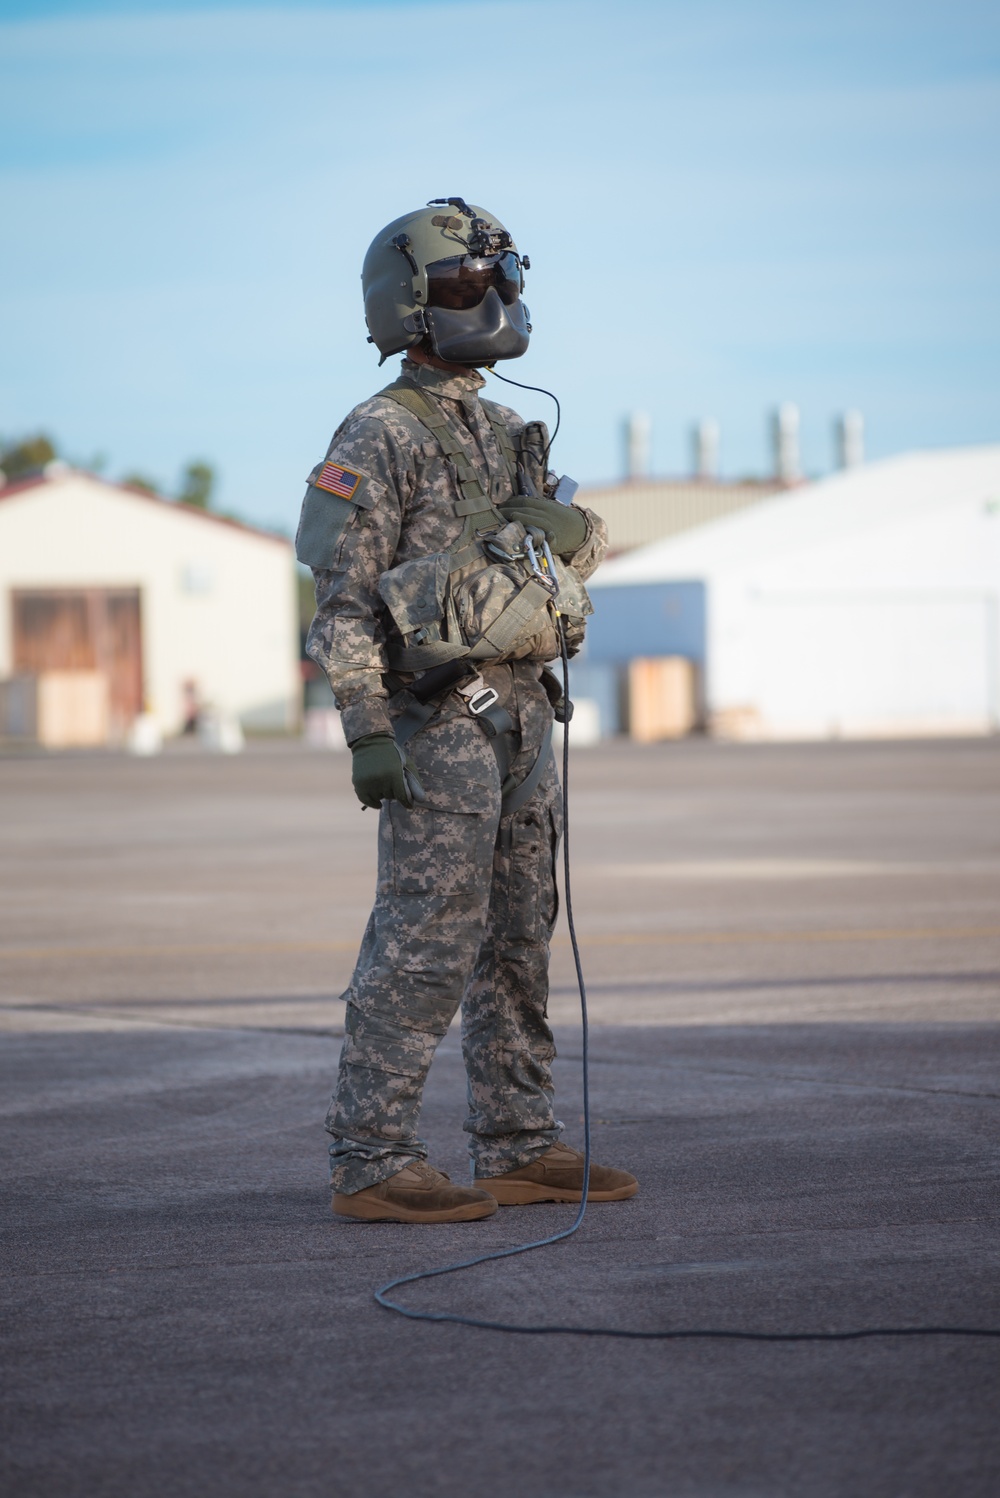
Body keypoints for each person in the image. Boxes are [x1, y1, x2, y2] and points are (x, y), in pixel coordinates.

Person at [298, 198, 637, 1223]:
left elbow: (542, 568)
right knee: (424, 937)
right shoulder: (378, 432)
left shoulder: (506, 428)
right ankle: (372, 1158)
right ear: (407, 308)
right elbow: (344, 598)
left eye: (499, 276)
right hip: (438, 720)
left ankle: (517, 1141)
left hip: (526, 711)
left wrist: (577, 532)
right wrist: (365, 730)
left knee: (520, 935)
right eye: (458, 283)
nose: (487, 297)